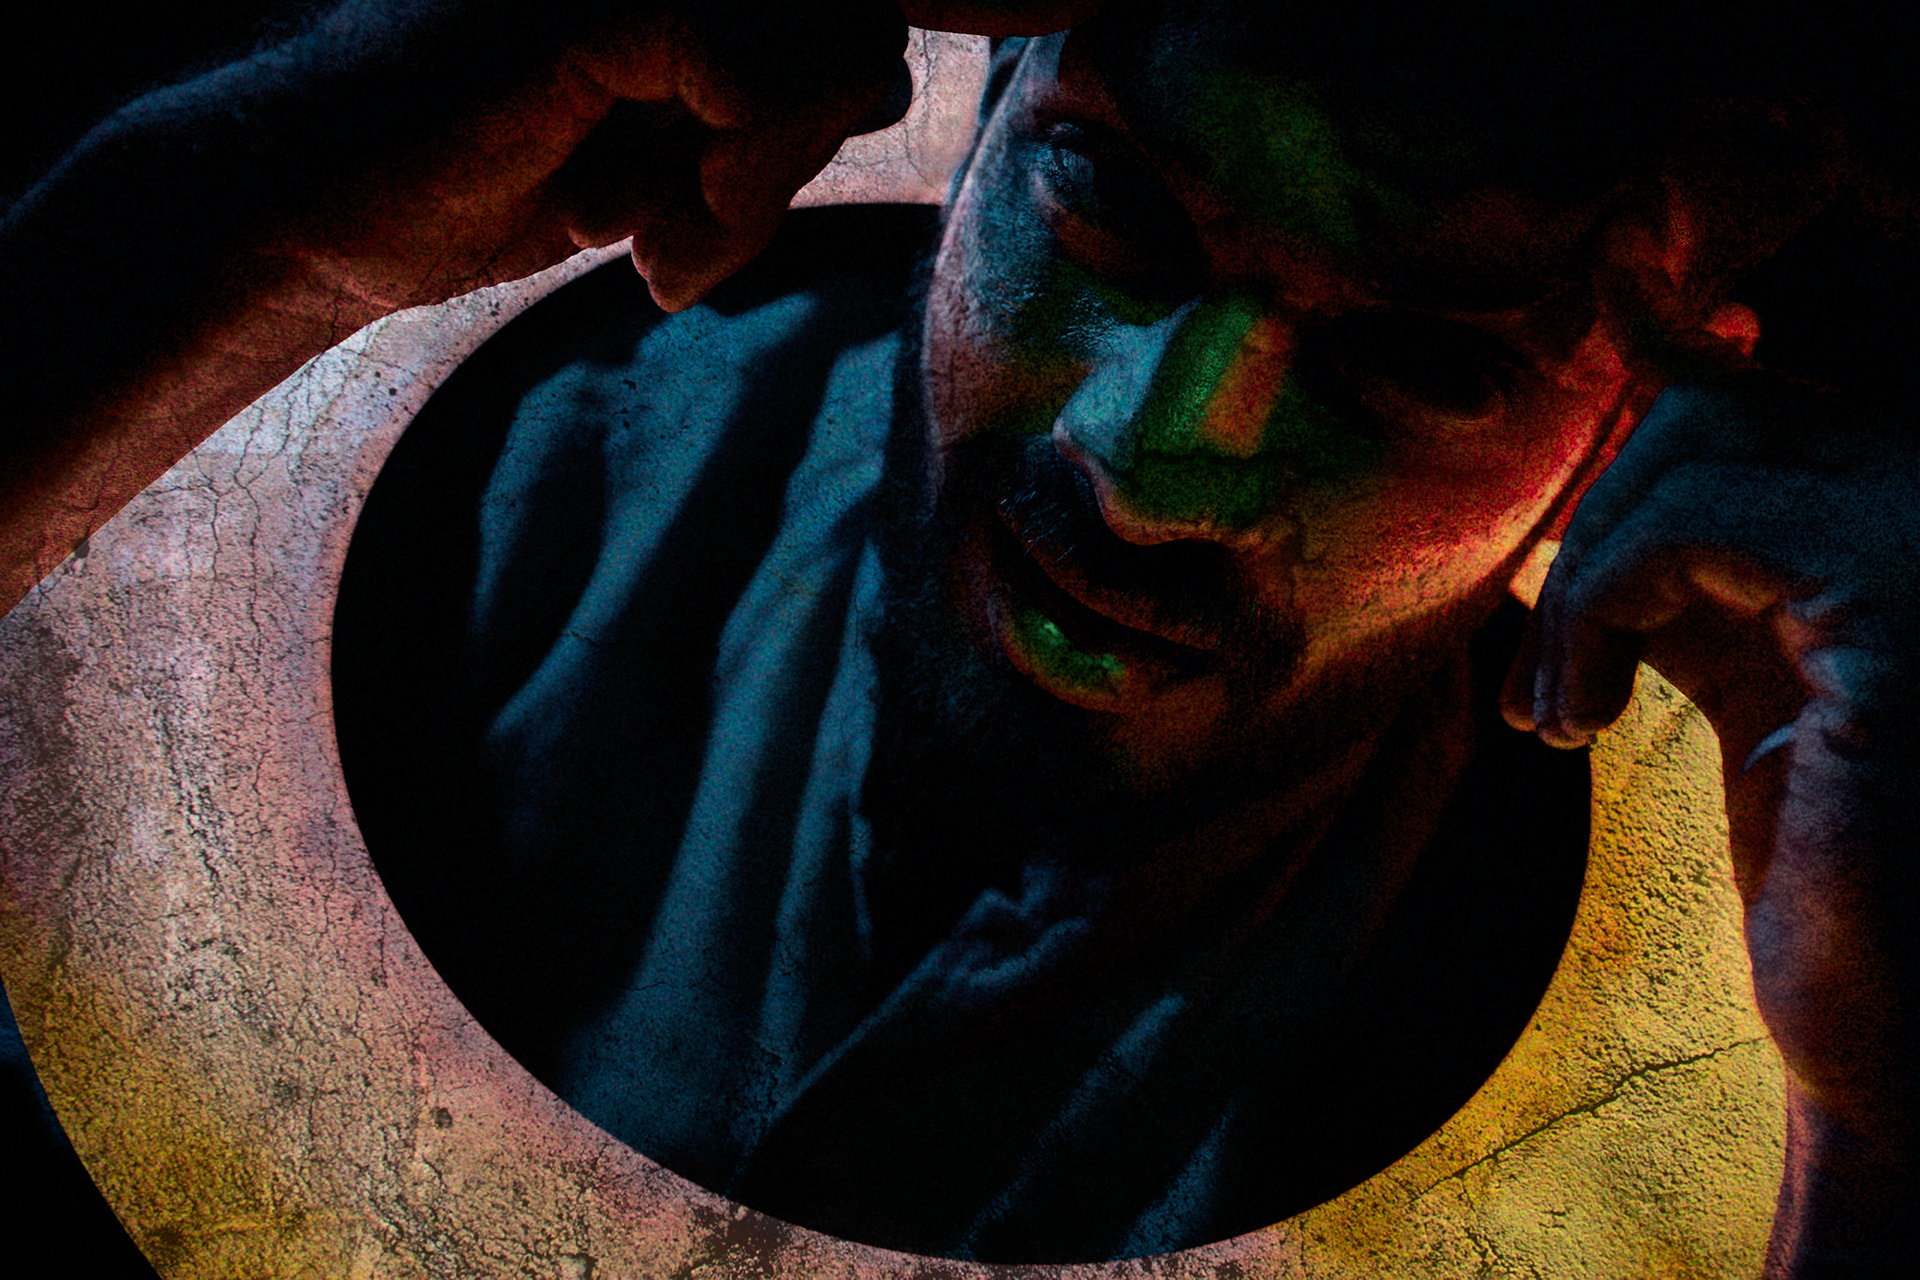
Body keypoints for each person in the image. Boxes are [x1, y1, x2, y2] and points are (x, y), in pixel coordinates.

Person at [4, 0, 1917, 1271]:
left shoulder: (1710, 991)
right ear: (983, 108)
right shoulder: (519, 508)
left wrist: (1889, 1125)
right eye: (1110, 205)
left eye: (1422, 363)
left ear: (1630, 431)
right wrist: (233, 237)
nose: (1153, 470)